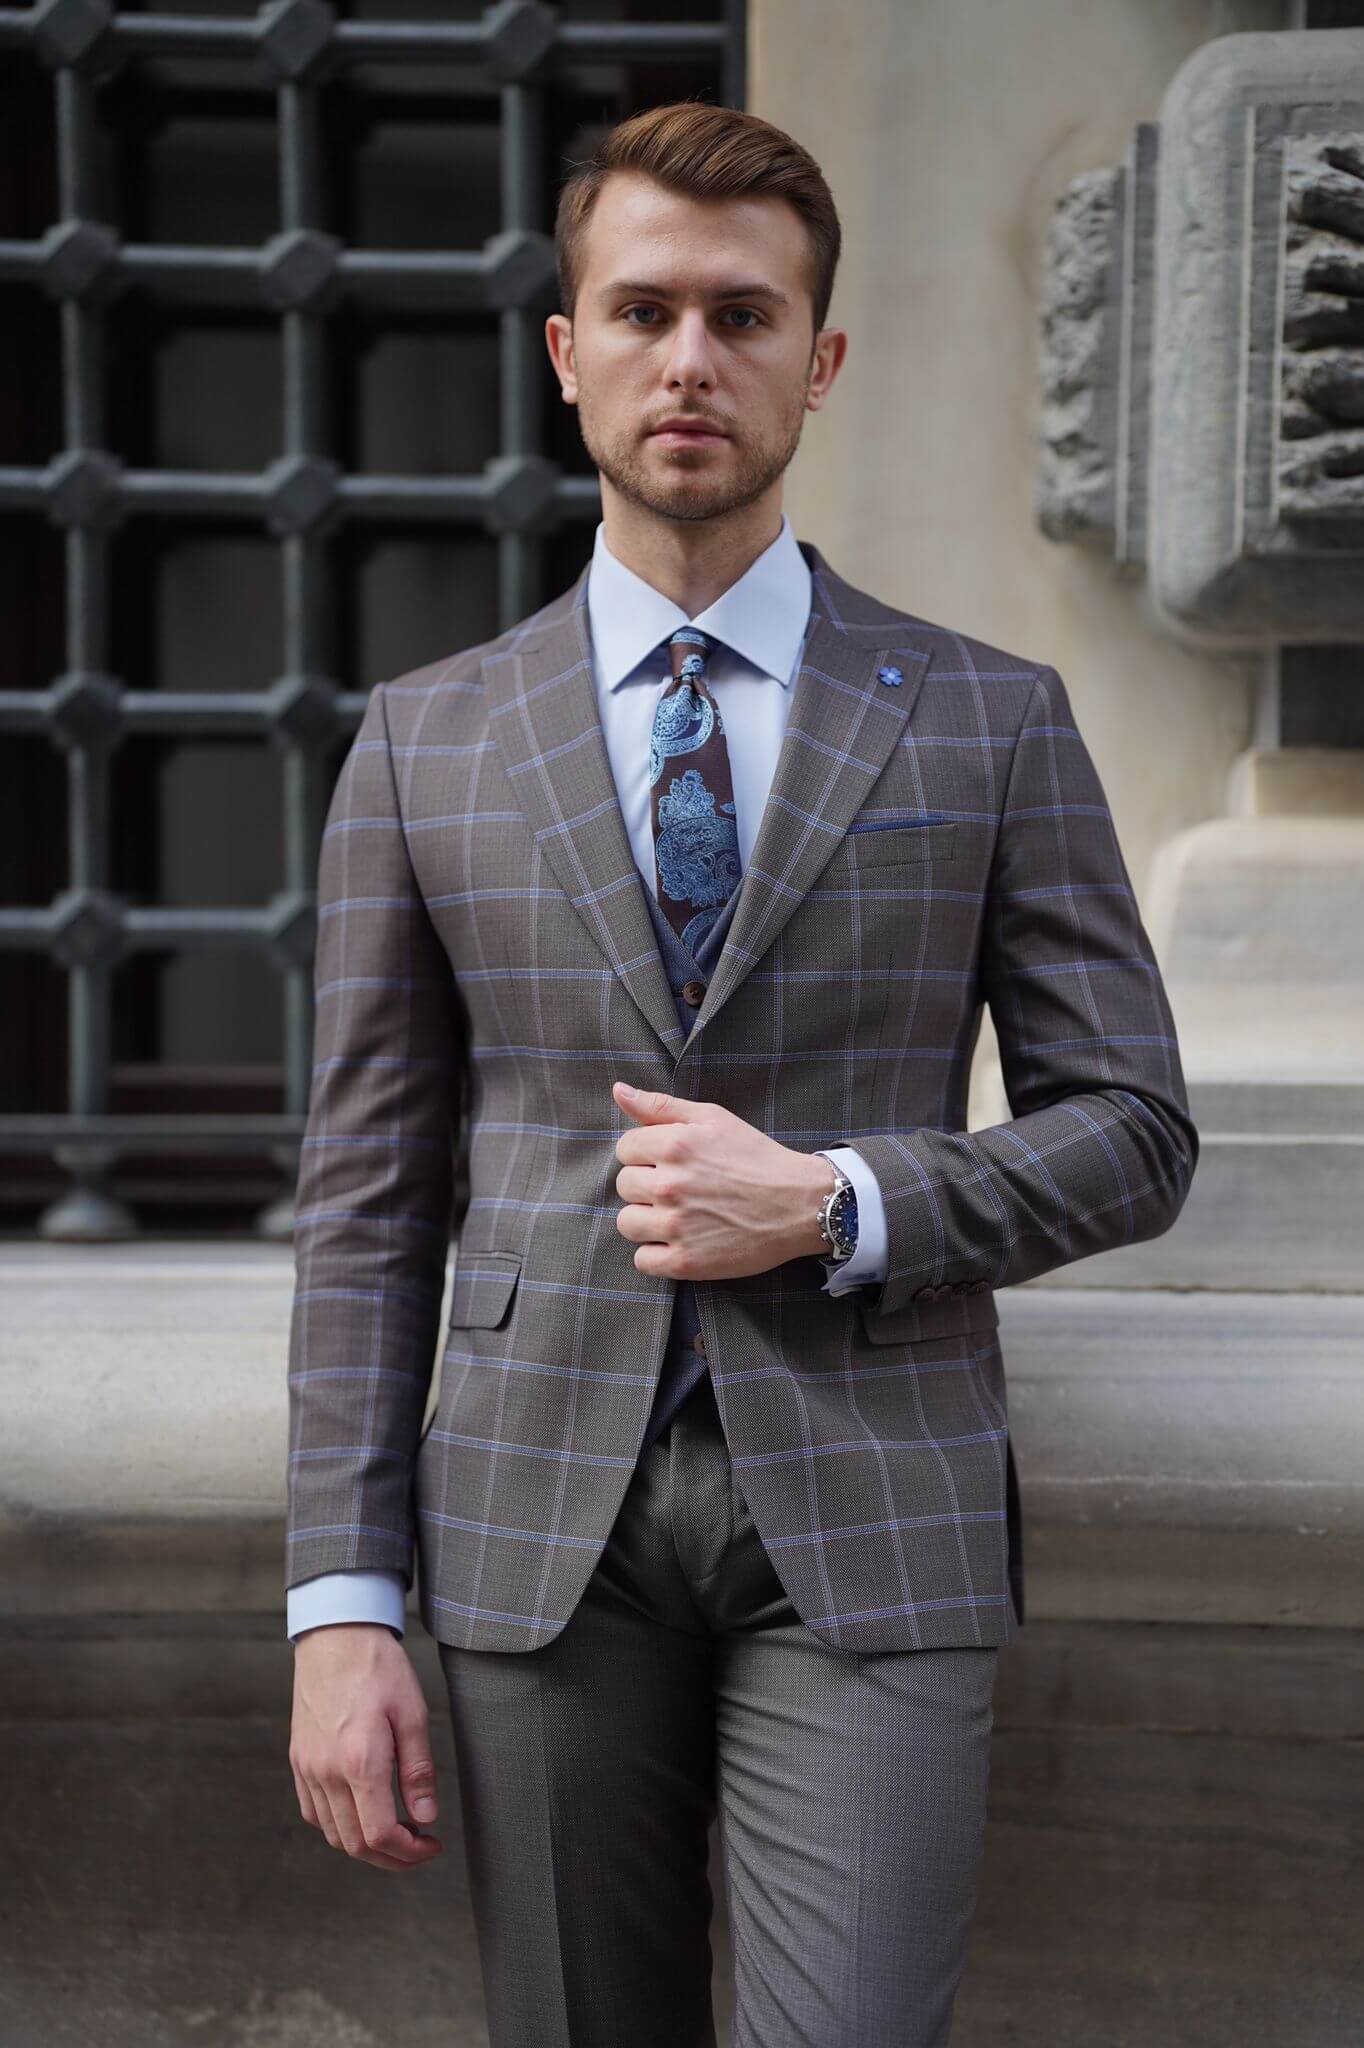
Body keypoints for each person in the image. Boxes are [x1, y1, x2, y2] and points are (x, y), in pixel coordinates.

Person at [284, 99, 1198, 2048]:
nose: (689, 358)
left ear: (819, 359)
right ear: (567, 353)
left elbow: (1135, 1128)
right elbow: (366, 1198)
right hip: (532, 1522)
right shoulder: (425, 741)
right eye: (641, 311)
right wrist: (341, 1597)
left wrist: (849, 1201)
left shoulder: (985, 719)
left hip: (872, 1500)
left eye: (741, 315)